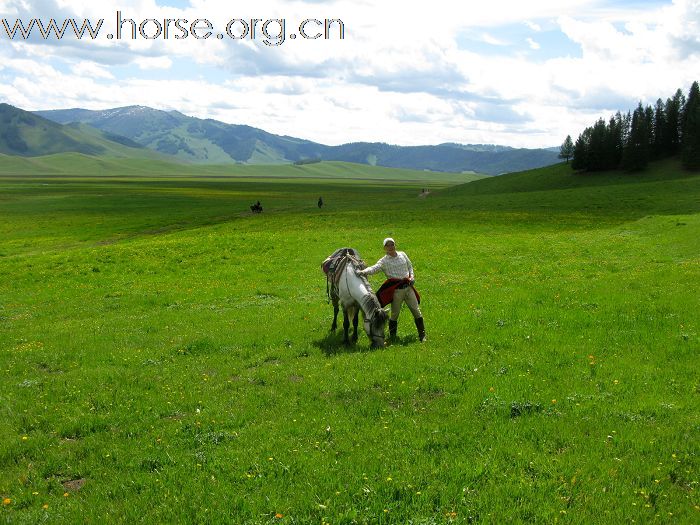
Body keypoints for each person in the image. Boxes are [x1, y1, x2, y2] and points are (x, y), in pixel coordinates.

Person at [356, 237, 426, 342]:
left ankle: (422, 335)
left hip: (408, 287)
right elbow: (374, 268)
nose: (390, 247)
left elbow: (410, 267)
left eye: (392, 244)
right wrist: (363, 272)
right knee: (394, 314)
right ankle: (393, 337)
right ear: (384, 248)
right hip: (396, 291)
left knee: (416, 311)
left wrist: (412, 277)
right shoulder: (384, 261)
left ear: (395, 245)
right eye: (387, 245)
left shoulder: (403, 254)